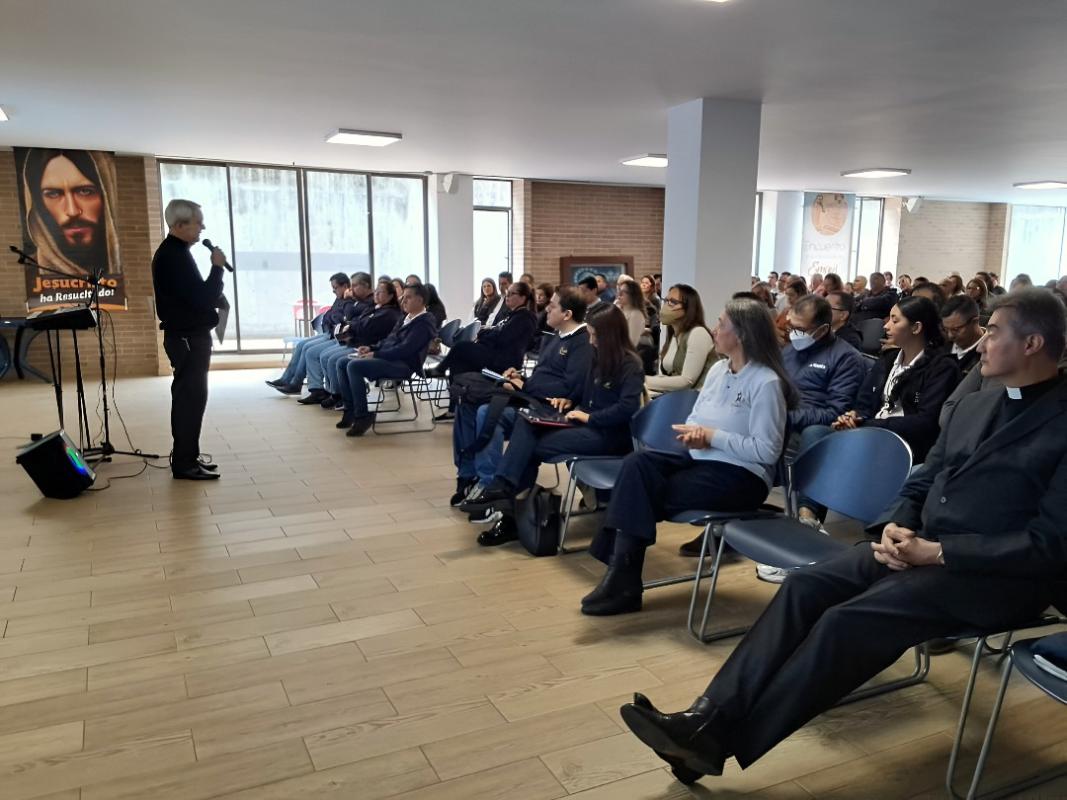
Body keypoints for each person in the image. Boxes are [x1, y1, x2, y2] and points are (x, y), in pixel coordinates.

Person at [619, 288, 1067, 782]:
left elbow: (1050, 543)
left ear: (1032, 344)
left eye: (994, 331)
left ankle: (722, 742)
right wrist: (898, 522)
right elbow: (924, 479)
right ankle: (705, 715)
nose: (981, 342)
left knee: (845, 621)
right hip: (917, 549)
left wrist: (939, 552)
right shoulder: (974, 407)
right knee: (804, 587)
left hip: (994, 578)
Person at [581, 298, 796, 615]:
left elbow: (766, 451)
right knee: (637, 464)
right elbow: (695, 418)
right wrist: (696, 433)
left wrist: (712, 436)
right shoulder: (719, 371)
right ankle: (622, 578)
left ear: (743, 335)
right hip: (700, 458)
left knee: (640, 493)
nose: (714, 329)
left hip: (743, 477)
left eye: (721, 324)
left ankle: (622, 578)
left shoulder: (766, 383)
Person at [473, 306, 644, 542]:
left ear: (611, 335)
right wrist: (569, 401)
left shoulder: (630, 365)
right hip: (585, 424)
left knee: (528, 447)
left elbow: (628, 409)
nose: (591, 341)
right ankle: (504, 492)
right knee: (528, 420)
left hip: (608, 435)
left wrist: (590, 418)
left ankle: (506, 503)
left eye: (595, 336)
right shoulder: (598, 357)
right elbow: (583, 394)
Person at [796, 296, 961, 527]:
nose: (886, 326)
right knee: (815, 433)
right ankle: (807, 517)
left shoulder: (942, 367)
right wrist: (854, 416)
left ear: (916, 327)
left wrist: (869, 425)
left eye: (894, 320)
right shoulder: (889, 359)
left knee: (832, 442)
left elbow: (926, 422)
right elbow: (864, 404)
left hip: (904, 443)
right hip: (869, 433)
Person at [451, 288, 594, 509]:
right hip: (531, 397)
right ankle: (469, 475)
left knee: (486, 412)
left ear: (567, 314)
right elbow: (543, 376)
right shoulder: (556, 336)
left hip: (549, 408)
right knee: (467, 404)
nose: (547, 308)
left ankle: (490, 483)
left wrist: (526, 384)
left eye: (553, 306)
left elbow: (570, 387)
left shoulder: (581, 343)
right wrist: (521, 377)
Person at [152, 199, 228, 481]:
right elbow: (202, 298)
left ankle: (189, 456)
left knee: (194, 398)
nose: (203, 227)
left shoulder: (177, 252)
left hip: (190, 336)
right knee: (189, 399)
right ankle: (184, 463)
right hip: (187, 338)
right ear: (180, 225)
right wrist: (217, 268)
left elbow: (194, 296)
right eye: (198, 222)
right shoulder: (172, 256)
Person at [336, 283, 439, 436]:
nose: (403, 301)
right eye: (403, 297)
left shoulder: (424, 323)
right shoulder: (406, 317)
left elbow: (405, 350)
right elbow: (389, 340)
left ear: (420, 300)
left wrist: (376, 355)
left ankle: (362, 415)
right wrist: (371, 348)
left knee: (354, 367)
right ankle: (350, 409)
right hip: (390, 358)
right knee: (342, 362)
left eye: (408, 297)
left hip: (404, 365)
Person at [18, 148, 121, 278]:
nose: (72, 211)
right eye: (53, 194)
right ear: (38, 204)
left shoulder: (126, 265)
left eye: (85, 191)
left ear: (107, 195)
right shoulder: (31, 272)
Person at [319, 280, 405, 410]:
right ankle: (337, 393)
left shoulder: (389, 314)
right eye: (376, 291)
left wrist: (351, 325)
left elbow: (364, 326)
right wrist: (353, 325)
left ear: (390, 296)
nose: (376, 294)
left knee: (335, 360)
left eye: (380, 292)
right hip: (360, 343)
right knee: (327, 357)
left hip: (368, 345)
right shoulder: (375, 307)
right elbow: (357, 321)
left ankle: (342, 396)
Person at [426, 282, 537, 378]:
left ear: (523, 298)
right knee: (459, 364)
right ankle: (457, 398)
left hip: (503, 361)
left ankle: (440, 370)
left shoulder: (524, 318)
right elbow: (499, 333)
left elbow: (502, 337)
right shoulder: (515, 315)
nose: (507, 296)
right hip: (496, 354)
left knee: (461, 347)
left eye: (512, 294)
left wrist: (484, 333)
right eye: (508, 293)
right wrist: (488, 332)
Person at [267, 273, 352, 395]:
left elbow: (340, 318)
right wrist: (331, 318)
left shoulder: (350, 300)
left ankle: (299, 384)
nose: (333, 291)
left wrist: (332, 317)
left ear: (345, 286)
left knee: (309, 349)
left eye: (335, 287)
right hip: (330, 332)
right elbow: (329, 315)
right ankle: (287, 380)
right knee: (301, 344)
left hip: (337, 336)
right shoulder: (340, 298)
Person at [298, 272, 376, 405]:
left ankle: (338, 394)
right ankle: (330, 391)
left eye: (355, 285)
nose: (351, 289)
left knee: (328, 357)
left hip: (357, 342)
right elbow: (332, 315)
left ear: (366, 286)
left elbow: (349, 316)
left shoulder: (368, 302)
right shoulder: (355, 301)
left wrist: (347, 302)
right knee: (313, 351)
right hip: (344, 336)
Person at [646, 284, 717, 396]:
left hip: (693, 402)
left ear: (689, 308)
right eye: (665, 301)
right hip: (675, 399)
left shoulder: (698, 334)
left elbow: (686, 381)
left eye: (672, 302)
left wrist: (644, 380)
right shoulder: (674, 336)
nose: (665, 306)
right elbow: (669, 376)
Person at [940, 295, 985, 376]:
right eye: (946, 329)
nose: (950, 336)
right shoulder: (940, 343)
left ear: (975, 322)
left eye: (956, 329)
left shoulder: (987, 354)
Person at [615, 278, 649, 349]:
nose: (619, 294)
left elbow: (631, 343)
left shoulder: (636, 315)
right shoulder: (618, 309)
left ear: (632, 295)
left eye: (623, 292)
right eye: (619, 290)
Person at [775, 277, 808, 344]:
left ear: (801, 295)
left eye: (792, 295)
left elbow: (800, 337)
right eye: (787, 295)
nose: (788, 298)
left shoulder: (805, 314)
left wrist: (779, 332)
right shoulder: (786, 310)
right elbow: (775, 325)